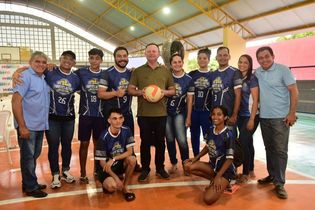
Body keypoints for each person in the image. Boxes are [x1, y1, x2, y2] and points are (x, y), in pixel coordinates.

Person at [255, 46, 298, 199]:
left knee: (280, 150)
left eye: (267, 56)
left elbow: (294, 91)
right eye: (260, 58)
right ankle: (272, 175)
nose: (264, 60)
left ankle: (279, 183)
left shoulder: (283, 70)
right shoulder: (257, 72)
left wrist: (292, 113)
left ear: (273, 56)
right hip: (264, 117)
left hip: (281, 118)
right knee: (269, 148)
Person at [128, 43, 175, 182]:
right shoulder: (138, 71)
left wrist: (163, 92)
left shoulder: (166, 71)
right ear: (145, 54)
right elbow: (130, 90)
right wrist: (140, 92)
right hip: (144, 114)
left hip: (161, 114)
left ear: (158, 53)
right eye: (149, 51)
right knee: (145, 143)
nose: (152, 53)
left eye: (154, 51)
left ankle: (160, 168)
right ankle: (145, 169)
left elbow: (173, 90)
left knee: (161, 142)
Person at [12, 51, 50, 198]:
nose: (41, 64)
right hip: (27, 126)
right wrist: (22, 126)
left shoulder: (43, 77)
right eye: (37, 61)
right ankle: (30, 187)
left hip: (39, 125)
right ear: (30, 63)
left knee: (34, 155)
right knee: (28, 157)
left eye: (43, 62)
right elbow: (15, 101)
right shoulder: (25, 76)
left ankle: (29, 182)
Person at [98, 46, 141, 173]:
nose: (122, 59)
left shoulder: (131, 73)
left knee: (129, 141)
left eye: (124, 56)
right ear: (115, 58)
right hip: (112, 116)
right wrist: (116, 93)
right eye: (119, 56)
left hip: (126, 113)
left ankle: (133, 163)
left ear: (127, 57)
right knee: (111, 142)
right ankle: (106, 167)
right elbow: (101, 94)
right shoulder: (107, 73)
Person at [183, 105, 236, 205]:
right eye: (213, 114)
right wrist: (195, 158)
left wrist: (218, 177)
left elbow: (230, 159)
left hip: (225, 172)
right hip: (213, 166)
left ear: (225, 117)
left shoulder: (228, 134)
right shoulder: (211, 129)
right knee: (187, 165)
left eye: (219, 114)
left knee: (208, 199)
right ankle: (213, 179)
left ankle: (226, 183)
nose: (215, 117)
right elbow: (208, 146)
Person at [44, 51, 81, 188]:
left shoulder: (76, 78)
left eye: (71, 59)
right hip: (52, 118)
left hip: (69, 118)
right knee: (53, 146)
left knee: (67, 145)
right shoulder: (50, 72)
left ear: (74, 63)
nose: (67, 61)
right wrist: (18, 71)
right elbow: (33, 70)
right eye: (65, 58)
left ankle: (65, 171)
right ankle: (55, 174)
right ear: (60, 59)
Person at [75, 48, 107, 184]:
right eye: (92, 58)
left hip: (100, 115)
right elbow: (64, 75)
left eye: (97, 58)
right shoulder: (81, 72)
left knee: (98, 144)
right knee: (84, 143)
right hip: (85, 114)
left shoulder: (106, 74)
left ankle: (96, 170)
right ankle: (82, 173)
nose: (94, 61)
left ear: (101, 60)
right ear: (89, 59)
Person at [94, 108, 136, 202]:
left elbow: (129, 152)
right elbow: (102, 163)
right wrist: (115, 178)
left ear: (123, 119)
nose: (118, 121)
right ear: (109, 120)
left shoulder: (127, 130)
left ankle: (125, 187)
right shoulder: (103, 137)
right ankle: (109, 181)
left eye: (120, 118)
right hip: (106, 169)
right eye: (114, 118)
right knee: (112, 187)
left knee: (132, 159)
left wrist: (113, 159)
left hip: (118, 164)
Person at [165, 53, 191, 174]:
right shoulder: (167, 77)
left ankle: (186, 163)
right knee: (169, 139)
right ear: (171, 64)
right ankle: (174, 162)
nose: (177, 64)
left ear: (182, 62)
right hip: (166, 113)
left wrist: (188, 117)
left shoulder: (188, 79)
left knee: (181, 139)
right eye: (174, 62)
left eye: (179, 61)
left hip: (180, 112)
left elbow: (190, 100)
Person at [236, 54, 259, 183]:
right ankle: (251, 169)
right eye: (240, 62)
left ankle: (244, 173)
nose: (242, 64)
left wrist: (251, 119)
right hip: (240, 116)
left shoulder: (252, 79)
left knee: (243, 142)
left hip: (251, 116)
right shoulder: (238, 77)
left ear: (250, 65)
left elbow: (256, 100)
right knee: (248, 142)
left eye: (245, 62)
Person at [212, 47, 242, 140]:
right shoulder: (213, 74)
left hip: (228, 116)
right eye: (220, 55)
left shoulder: (235, 72)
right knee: (218, 144)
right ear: (216, 57)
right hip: (216, 116)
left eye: (225, 55)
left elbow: (238, 95)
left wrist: (234, 115)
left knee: (230, 145)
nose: (222, 57)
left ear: (229, 56)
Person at [186, 48, 212, 156]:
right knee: (194, 136)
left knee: (209, 137)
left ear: (209, 60)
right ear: (197, 59)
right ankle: (196, 158)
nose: (202, 60)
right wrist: (188, 116)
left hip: (207, 112)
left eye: (204, 58)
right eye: (200, 58)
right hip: (194, 112)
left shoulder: (213, 75)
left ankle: (212, 159)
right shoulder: (191, 74)